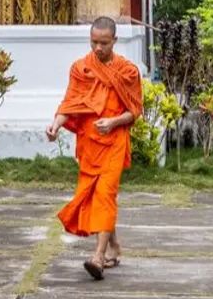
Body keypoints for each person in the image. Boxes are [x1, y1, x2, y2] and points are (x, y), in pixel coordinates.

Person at [46, 16, 143, 280]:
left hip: (114, 141)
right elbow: (70, 103)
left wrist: (113, 122)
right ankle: (114, 246)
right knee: (94, 196)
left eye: (104, 43)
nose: (98, 48)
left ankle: (97, 257)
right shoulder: (81, 69)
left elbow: (134, 111)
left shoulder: (128, 72)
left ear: (115, 40)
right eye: (94, 42)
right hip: (89, 143)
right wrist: (55, 125)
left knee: (105, 195)